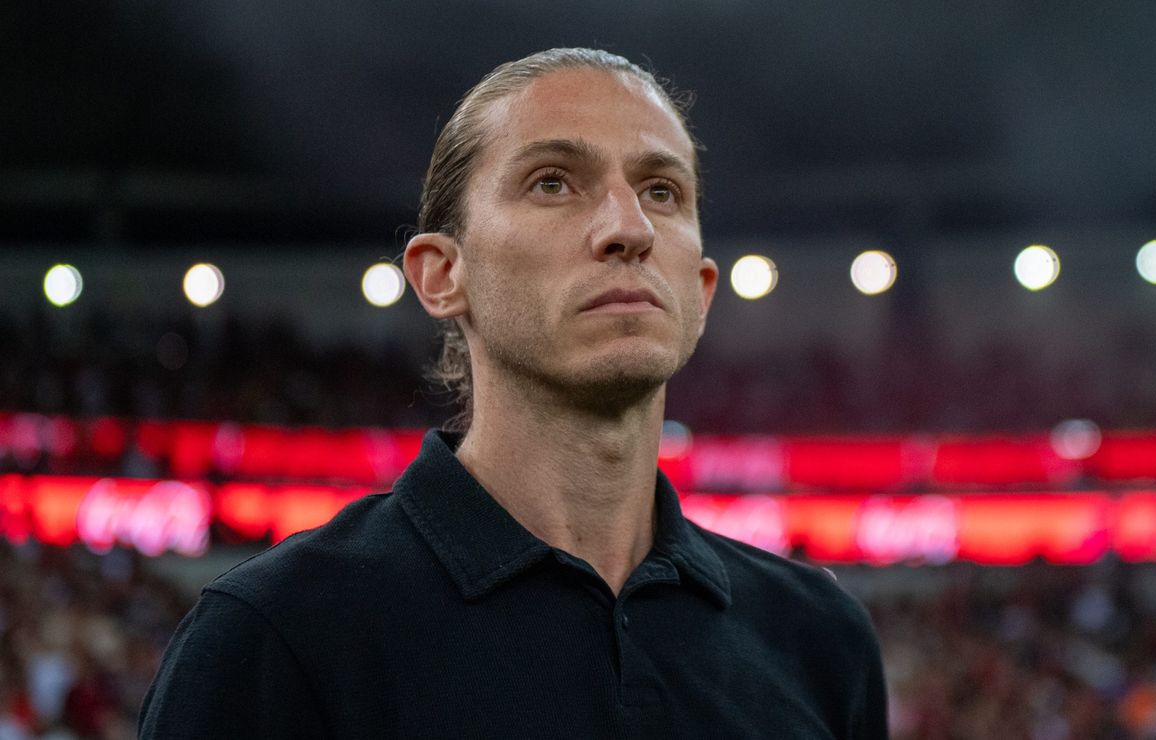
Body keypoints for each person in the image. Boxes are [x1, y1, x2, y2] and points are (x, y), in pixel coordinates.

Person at [139, 48, 888, 739]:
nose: (628, 227)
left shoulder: (821, 640)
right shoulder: (276, 634)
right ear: (441, 274)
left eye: (661, 190)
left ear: (699, 292)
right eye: (553, 181)